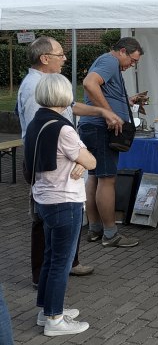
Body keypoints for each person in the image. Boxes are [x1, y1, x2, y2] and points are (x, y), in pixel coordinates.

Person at [16, 36, 122, 285]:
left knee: (69, 215)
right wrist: (76, 160)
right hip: (50, 165)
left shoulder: (48, 83)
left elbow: (70, 106)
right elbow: (40, 133)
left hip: (63, 159)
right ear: (45, 59)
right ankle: (42, 274)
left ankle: (69, 262)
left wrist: (101, 110)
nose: (65, 58)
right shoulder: (35, 88)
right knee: (45, 218)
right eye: (60, 54)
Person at [24, 74, 96, 336]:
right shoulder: (63, 128)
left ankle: (47, 310)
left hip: (44, 198)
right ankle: (55, 319)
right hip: (65, 200)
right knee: (60, 262)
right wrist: (82, 160)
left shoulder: (37, 122)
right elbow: (91, 160)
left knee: (51, 258)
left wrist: (80, 160)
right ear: (64, 95)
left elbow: (79, 157)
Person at [79, 37, 144, 248]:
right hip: (100, 128)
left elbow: (101, 89)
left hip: (93, 126)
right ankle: (110, 234)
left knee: (95, 177)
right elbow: (89, 83)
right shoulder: (109, 61)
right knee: (107, 179)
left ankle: (95, 229)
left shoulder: (109, 63)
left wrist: (128, 100)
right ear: (123, 51)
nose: (131, 65)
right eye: (132, 60)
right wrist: (108, 113)